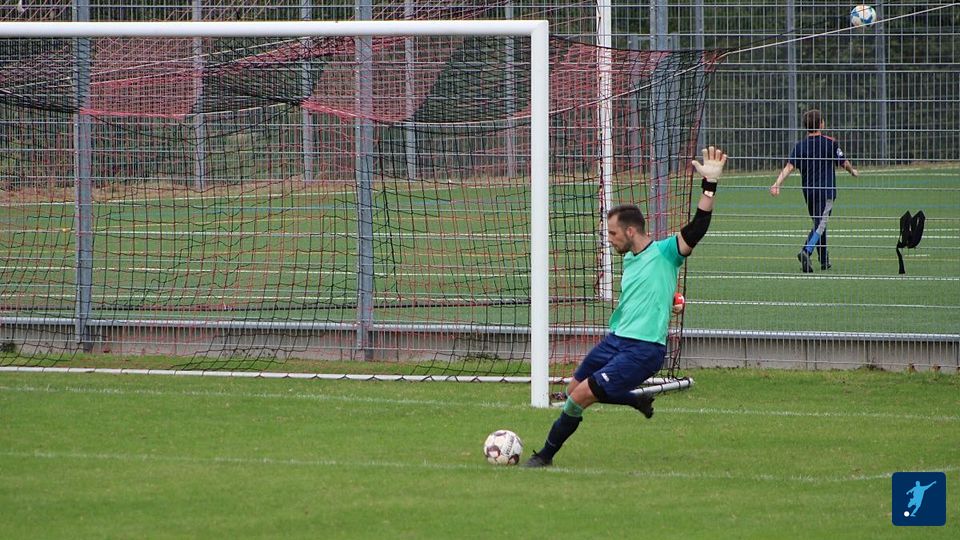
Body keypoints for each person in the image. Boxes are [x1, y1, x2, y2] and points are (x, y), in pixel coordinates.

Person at [522, 146, 728, 468]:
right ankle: (635, 400)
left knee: (580, 397)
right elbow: (648, 292)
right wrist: (669, 300)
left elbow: (696, 228)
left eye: (613, 233)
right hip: (615, 341)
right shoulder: (630, 259)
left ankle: (544, 456)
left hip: (644, 349)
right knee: (574, 389)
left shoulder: (665, 252)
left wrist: (709, 186)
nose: (609, 238)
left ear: (630, 231)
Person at [770, 109, 858, 273]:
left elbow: (789, 167)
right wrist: (852, 171)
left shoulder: (800, 146)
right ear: (821, 124)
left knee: (820, 224)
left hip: (809, 193)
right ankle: (806, 251)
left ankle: (824, 260)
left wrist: (777, 184)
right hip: (826, 192)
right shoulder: (830, 142)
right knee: (820, 224)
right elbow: (843, 162)